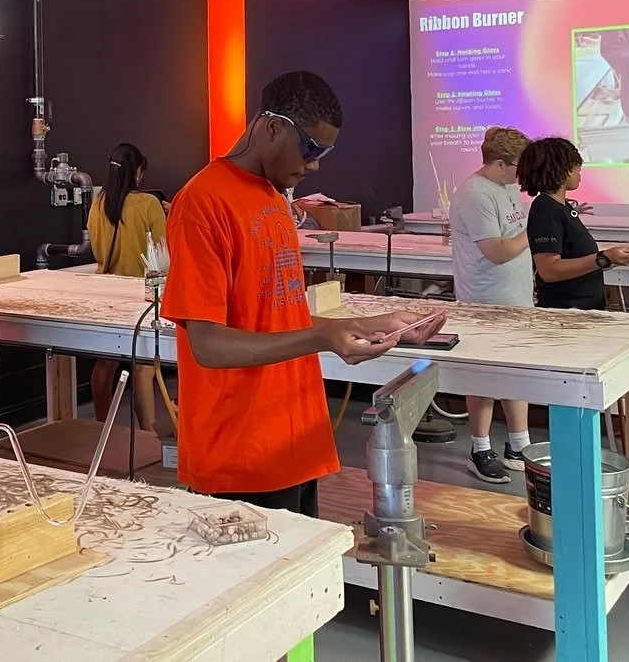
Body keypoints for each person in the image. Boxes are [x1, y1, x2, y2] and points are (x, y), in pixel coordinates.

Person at [161, 71, 445, 516]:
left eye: (324, 153)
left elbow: (275, 314)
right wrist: (323, 339)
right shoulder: (203, 202)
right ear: (272, 126)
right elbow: (208, 345)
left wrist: (363, 326)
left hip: (293, 440)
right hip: (242, 454)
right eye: (311, 149)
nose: (314, 165)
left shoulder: (274, 197)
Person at [449, 127, 533, 484]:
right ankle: (480, 447)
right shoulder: (475, 194)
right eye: (519, 167)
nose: (522, 175)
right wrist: (536, 229)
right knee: (482, 377)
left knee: (518, 372)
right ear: (500, 163)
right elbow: (497, 251)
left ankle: (519, 444)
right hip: (485, 301)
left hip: (516, 297)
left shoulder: (506, 187)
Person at [87, 143, 166, 432]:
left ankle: (101, 427)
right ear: (139, 170)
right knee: (143, 367)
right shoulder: (148, 204)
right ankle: (147, 434)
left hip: (106, 292)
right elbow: (162, 252)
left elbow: (95, 246)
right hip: (140, 294)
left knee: (104, 364)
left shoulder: (98, 201)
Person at [519, 137, 629, 310]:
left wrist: (626, 252)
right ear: (561, 170)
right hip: (566, 311)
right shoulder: (546, 209)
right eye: (576, 167)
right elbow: (549, 270)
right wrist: (603, 258)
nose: (579, 172)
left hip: (583, 308)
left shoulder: (563, 206)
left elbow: (578, 260)